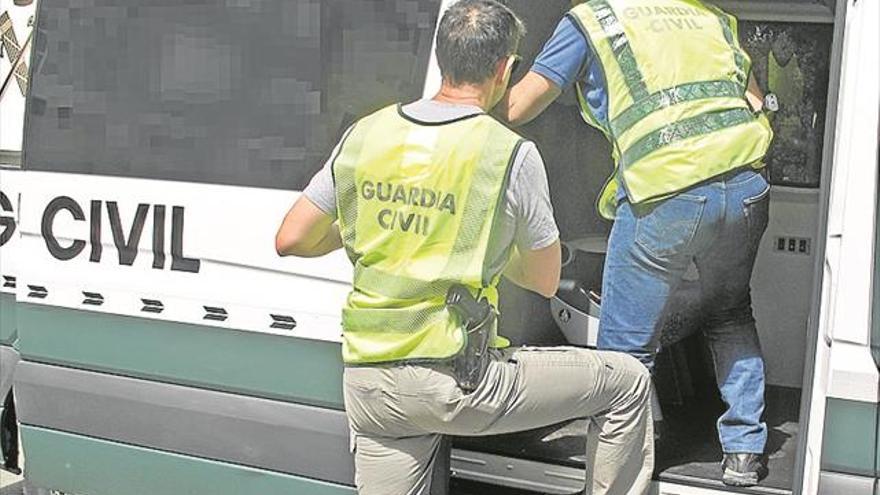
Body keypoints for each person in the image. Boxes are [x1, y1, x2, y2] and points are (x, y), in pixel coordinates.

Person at [275, 1, 653, 493]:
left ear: (442, 55)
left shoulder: (366, 133)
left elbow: (291, 238)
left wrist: (384, 230)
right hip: (454, 383)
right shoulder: (507, 152)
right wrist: (489, 249)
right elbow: (543, 278)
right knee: (626, 383)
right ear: (505, 69)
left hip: (370, 384)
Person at [498, 0, 774, 487]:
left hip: (665, 193)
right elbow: (754, 101)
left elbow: (518, 107)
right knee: (730, 313)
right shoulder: (710, 16)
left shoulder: (593, 21)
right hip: (747, 187)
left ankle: (618, 475)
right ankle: (744, 453)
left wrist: (486, 80)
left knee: (624, 348)